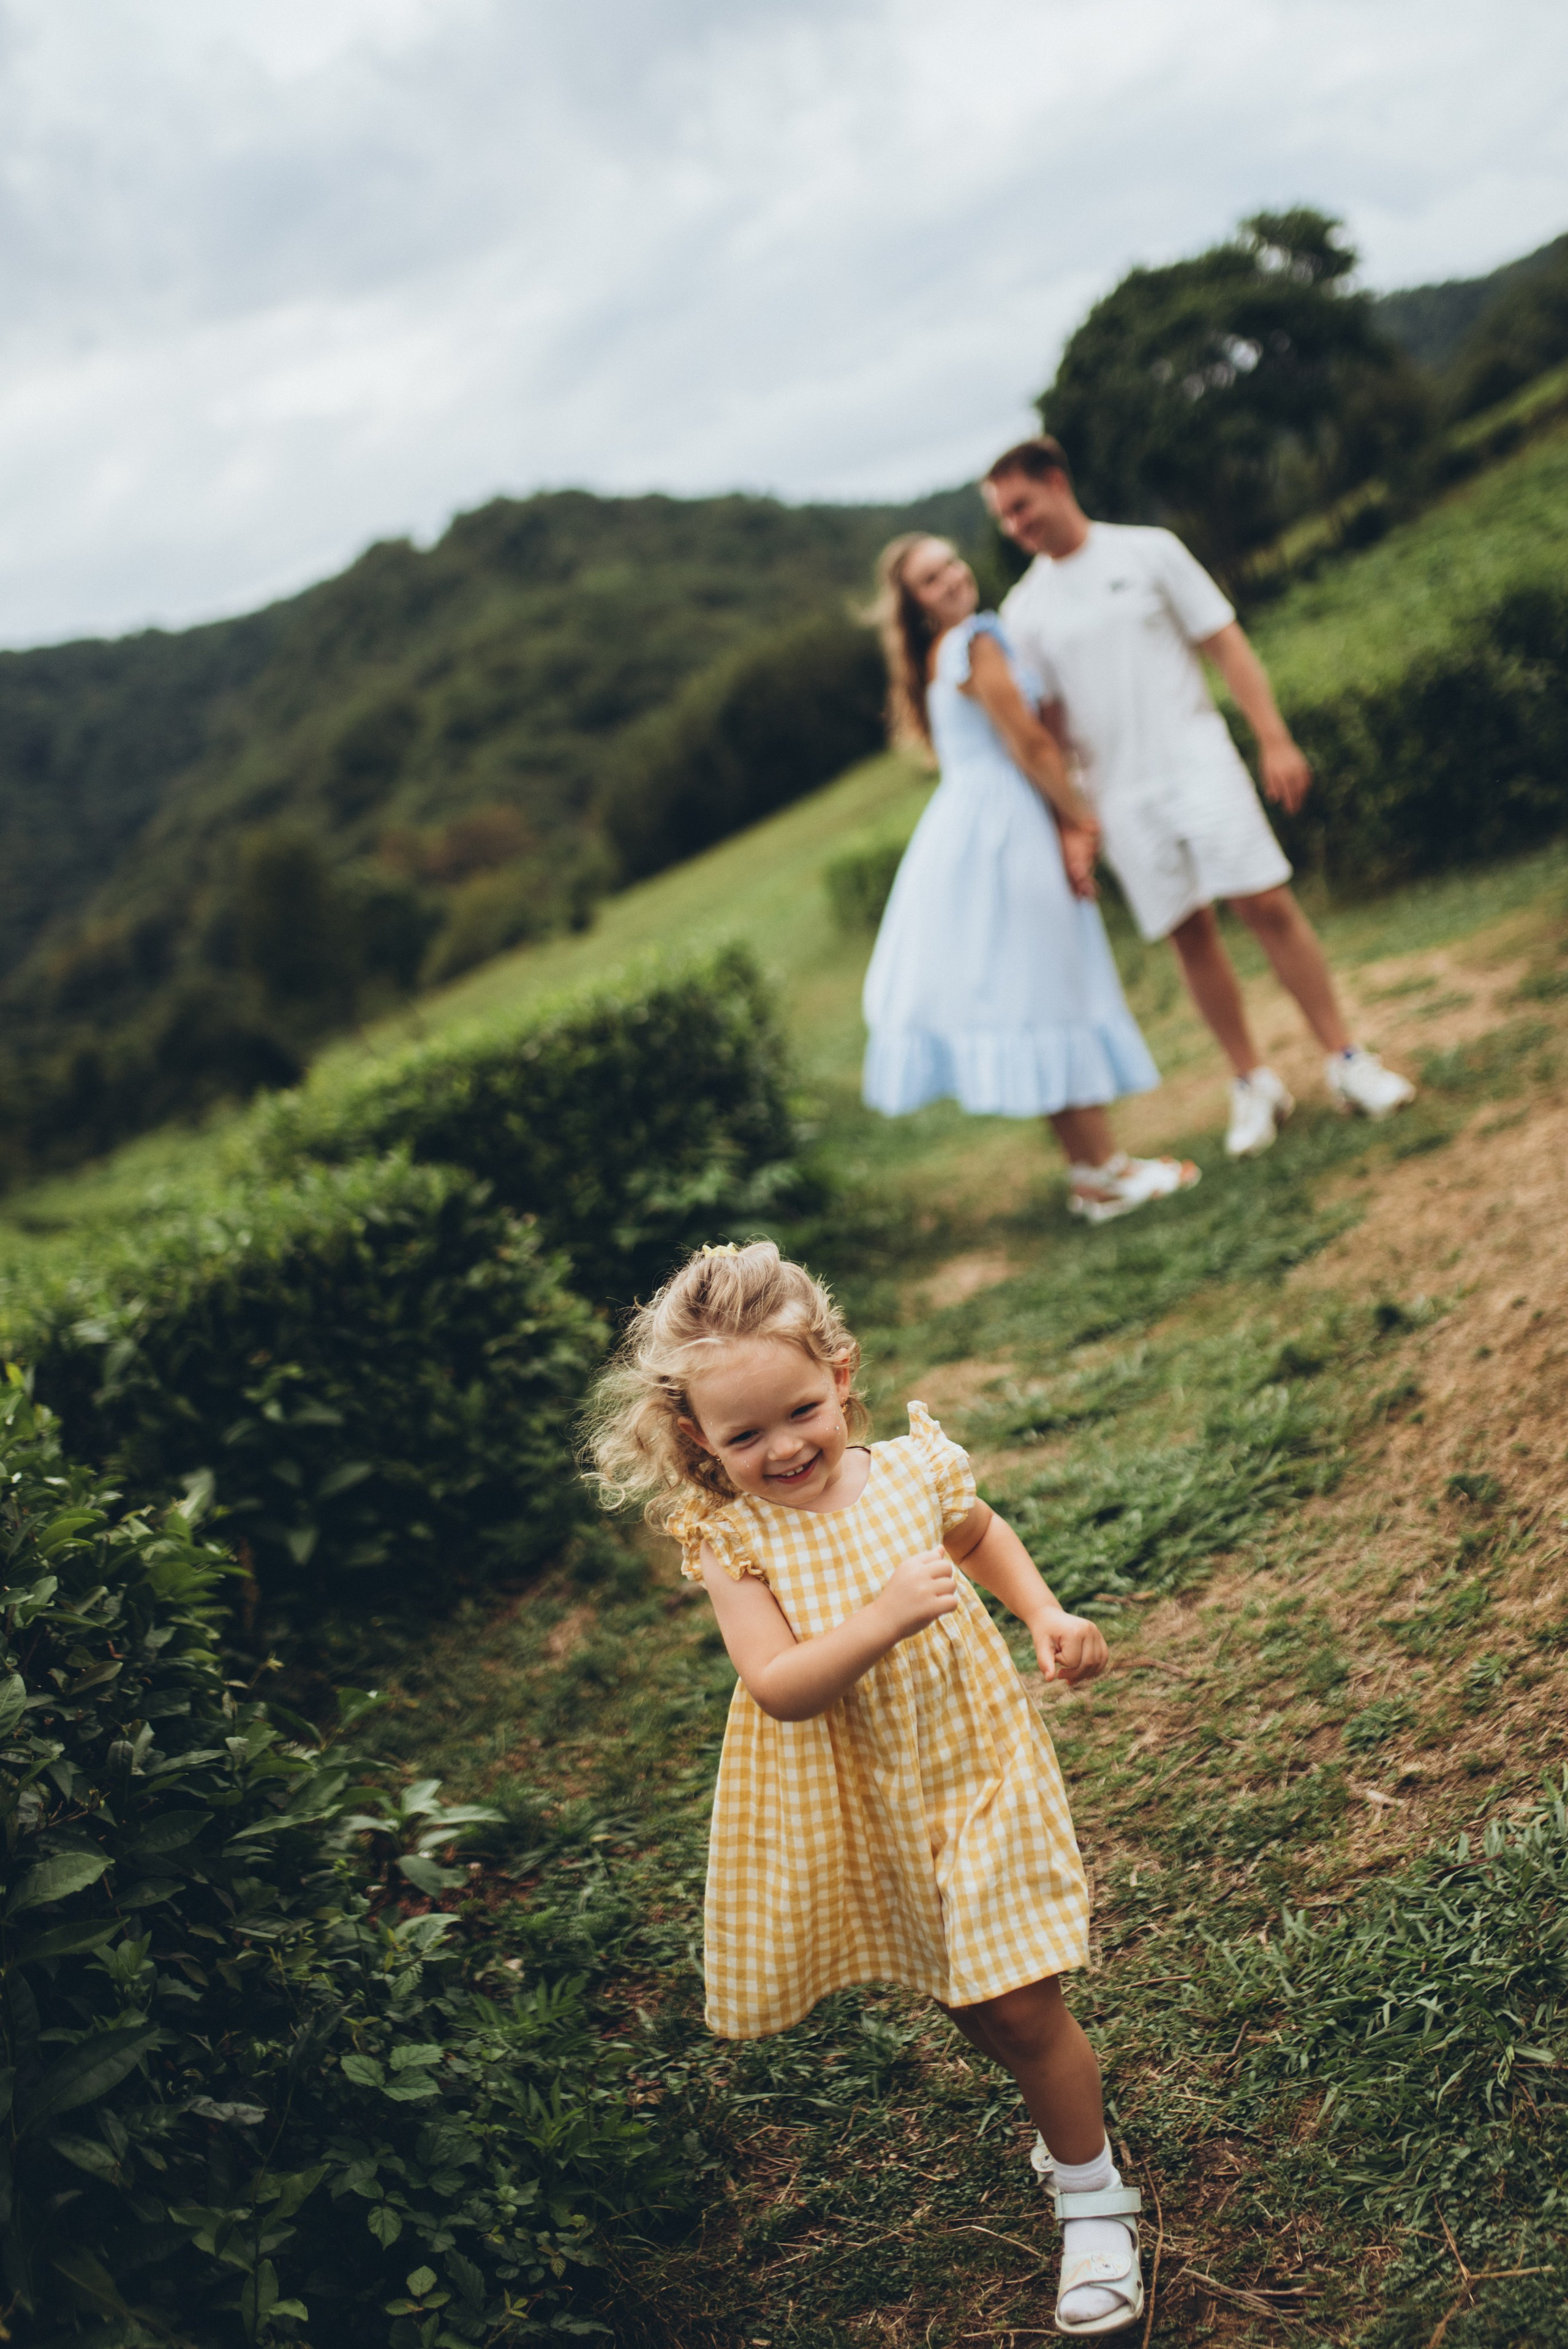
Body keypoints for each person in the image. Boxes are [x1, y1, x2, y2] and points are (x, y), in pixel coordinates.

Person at [586, 1239, 1147, 2336]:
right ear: (697, 1437)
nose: (786, 1446)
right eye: (745, 1434)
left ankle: (1093, 2197)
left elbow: (979, 1532)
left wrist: (1043, 1610)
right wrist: (882, 1615)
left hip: (975, 1761)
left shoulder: (910, 1471)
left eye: (802, 1410)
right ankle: (1059, 2118)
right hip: (864, 1796)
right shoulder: (732, 1540)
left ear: (839, 1374)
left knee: (1020, 2001)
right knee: (967, 1992)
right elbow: (780, 1685)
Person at [983, 437, 1416, 1158]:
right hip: (1117, 796)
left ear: (1056, 482)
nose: (1014, 525)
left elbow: (1226, 644)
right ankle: (1252, 1082)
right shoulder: (1023, 611)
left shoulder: (1147, 551)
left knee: (1266, 903)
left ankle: (1346, 1060)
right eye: (1003, 517)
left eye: (1020, 506)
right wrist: (1072, 822)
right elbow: (1048, 729)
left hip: (1197, 761)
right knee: (1189, 934)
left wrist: (1274, 739)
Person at [862, 531, 1198, 1225]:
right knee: (1053, 989)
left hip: (970, 830)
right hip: (1008, 830)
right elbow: (1032, 744)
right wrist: (1080, 820)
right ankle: (1102, 1171)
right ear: (917, 603)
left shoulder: (941, 653)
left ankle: (1094, 1170)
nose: (952, 579)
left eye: (951, 564)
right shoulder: (976, 640)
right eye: (931, 579)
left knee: (1034, 995)